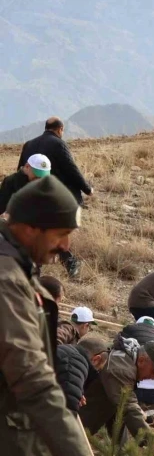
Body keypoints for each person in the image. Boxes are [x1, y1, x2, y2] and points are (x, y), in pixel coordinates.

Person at [0, 175, 89, 454]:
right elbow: (32, 379)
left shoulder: (19, 267)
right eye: (60, 234)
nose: (66, 246)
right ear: (29, 229)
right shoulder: (7, 280)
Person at [17, 118, 92, 278]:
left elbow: (21, 170)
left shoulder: (29, 144)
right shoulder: (58, 144)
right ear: (60, 130)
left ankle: (37, 269)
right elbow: (71, 169)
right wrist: (87, 189)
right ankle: (68, 263)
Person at [80, 339, 154, 453]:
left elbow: (120, 412)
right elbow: (128, 406)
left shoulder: (126, 360)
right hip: (70, 422)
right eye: (153, 371)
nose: (153, 377)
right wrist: (151, 441)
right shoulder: (121, 370)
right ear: (141, 361)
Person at [55, 336, 109, 415]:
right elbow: (68, 407)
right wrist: (74, 397)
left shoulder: (65, 351)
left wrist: (77, 392)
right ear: (96, 359)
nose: (97, 372)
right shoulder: (76, 361)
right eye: (99, 369)